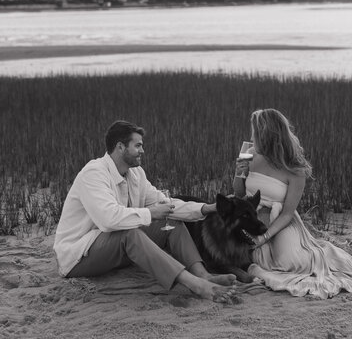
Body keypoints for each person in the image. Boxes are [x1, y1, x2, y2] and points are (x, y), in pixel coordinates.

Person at [54, 120, 237, 303]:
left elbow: (166, 204)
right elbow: (108, 220)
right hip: (78, 257)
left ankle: (202, 275)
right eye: (138, 145)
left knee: (171, 222)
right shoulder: (93, 173)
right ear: (120, 147)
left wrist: (207, 208)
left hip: (114, 250)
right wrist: (151, 213)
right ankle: (195, 284)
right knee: (129, 233)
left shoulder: (136, 174)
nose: (143, 150)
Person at [233, 108, 352, 299]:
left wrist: (264, 237)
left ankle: (319, 253)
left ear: (267, 135)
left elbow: (288, 213)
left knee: (292, 263)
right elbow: (238, 193)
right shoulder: (249, 153)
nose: (252, 138)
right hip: (250, 214)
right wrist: (240, 173)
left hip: (280, 221)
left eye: (255, 134)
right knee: (248, 255)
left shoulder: (295, 169)